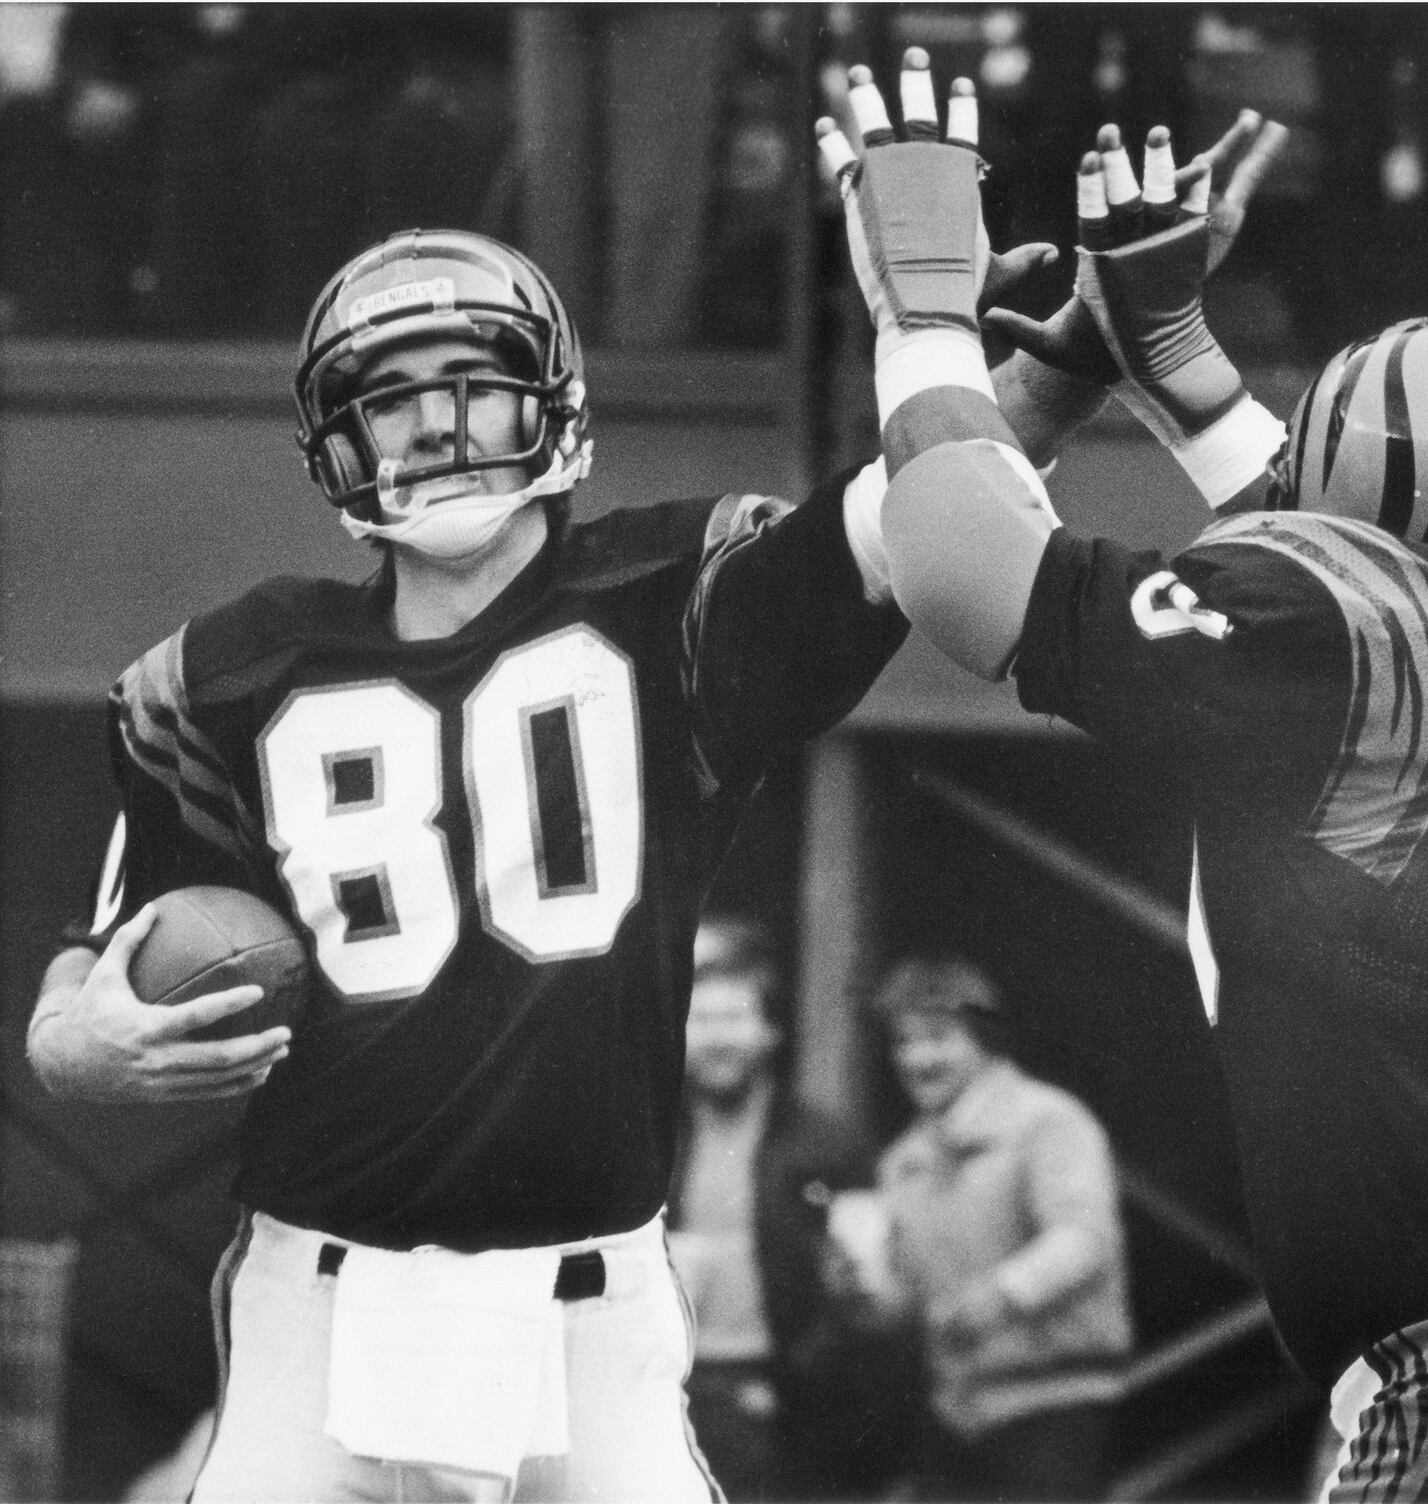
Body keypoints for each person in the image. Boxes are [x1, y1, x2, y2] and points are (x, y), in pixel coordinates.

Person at [24, 222, 915, 1501]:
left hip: (590, 1318)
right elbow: (95, 949)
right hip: (319, 1313)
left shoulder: (676, 599)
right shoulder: (231, 673)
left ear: (549, 400)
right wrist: (75, 1041)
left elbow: (911, 526)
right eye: (391, 399)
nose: (436, 425)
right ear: (340, 439)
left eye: (475, 380)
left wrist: (1008, 372)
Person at [820, 56, 1428, 1502]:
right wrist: (1169, 354)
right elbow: (1365, 585)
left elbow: (963, 564)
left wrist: (923, 310)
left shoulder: (1360, 627)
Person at [831, 957, 1131, 1503]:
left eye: (939, 1038)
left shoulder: (1050, 1120)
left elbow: (1085, 1238)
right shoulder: (903, 1160)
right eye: (904, 1042)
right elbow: (904, 1304)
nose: (918, 1058)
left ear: (986, 1039)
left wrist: (996, 1295)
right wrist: (856, 1288)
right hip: (952, 1413)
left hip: (1053, 1403)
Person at [669, 916, 910, 1500]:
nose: (717, 1038)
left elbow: (867, 1293)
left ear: (770, 1031)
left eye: (733, 1018)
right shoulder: (651, 1143)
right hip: (670, 1392)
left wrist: (800, 1374)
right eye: (701, 1020)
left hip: (785, 1402)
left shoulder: (829, 1145)